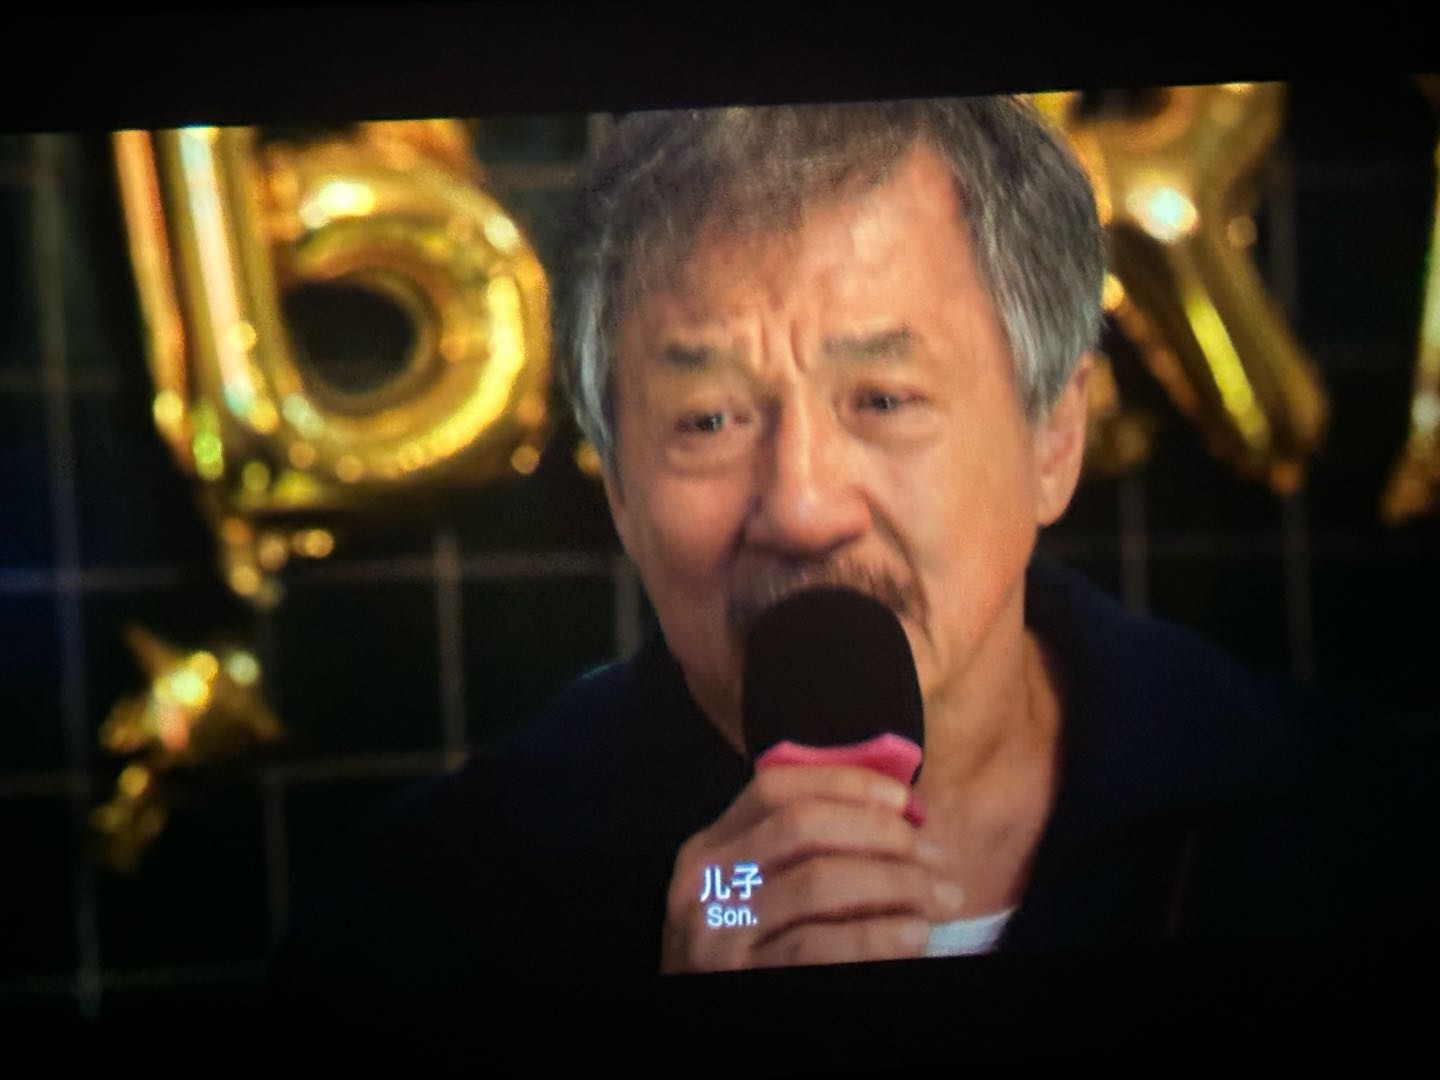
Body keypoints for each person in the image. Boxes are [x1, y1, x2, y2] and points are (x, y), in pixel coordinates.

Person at [275, 97, 1440, 994]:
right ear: (619, 491)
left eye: (883, 399)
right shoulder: (426, 909)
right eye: (707, 420)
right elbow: (723, 899)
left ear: (1053, 437)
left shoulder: (1365, 833)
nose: (802, 507)